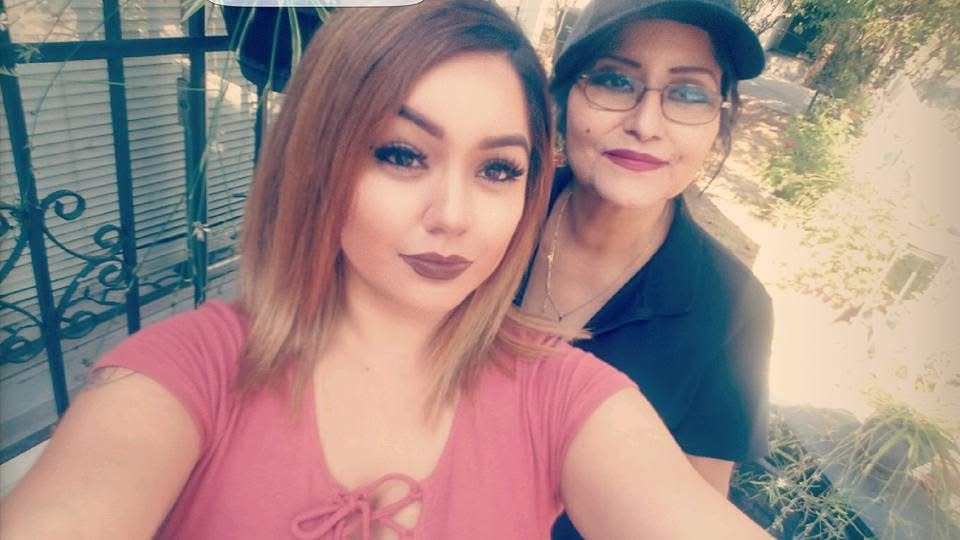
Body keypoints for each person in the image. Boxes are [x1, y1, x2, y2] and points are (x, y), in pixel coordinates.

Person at [1, 1, 770, 538]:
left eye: (498, 169)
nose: (454, 216)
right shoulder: (181, 378)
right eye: (401, 154)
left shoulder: (579, 388)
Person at [513, 0, 774, 537]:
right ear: (564, 98)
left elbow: (691, 509)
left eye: (688, 93)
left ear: (719, 122)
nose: (645, 124)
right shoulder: (499, 210)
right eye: (614, 81)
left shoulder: (734, 308)